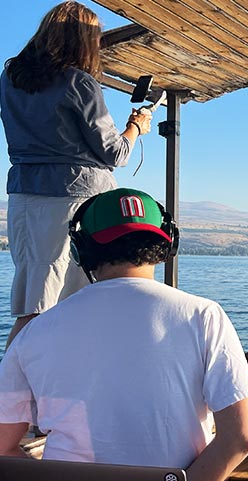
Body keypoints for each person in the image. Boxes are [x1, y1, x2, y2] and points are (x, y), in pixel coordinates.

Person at [0, 188, 248, 481]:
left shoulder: (34, 332)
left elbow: (3, 447)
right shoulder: (204, 316)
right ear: (167, 246)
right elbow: (240, 437)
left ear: (81, 250)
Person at [1, 1, 152, 347]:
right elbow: (115, 153)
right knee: (65, 307)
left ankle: (14, 391)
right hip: (70, 202)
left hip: (23, 199)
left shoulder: (9, 80)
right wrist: (135, 128)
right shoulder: (79, 83)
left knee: (34, 305)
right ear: (83, 40)